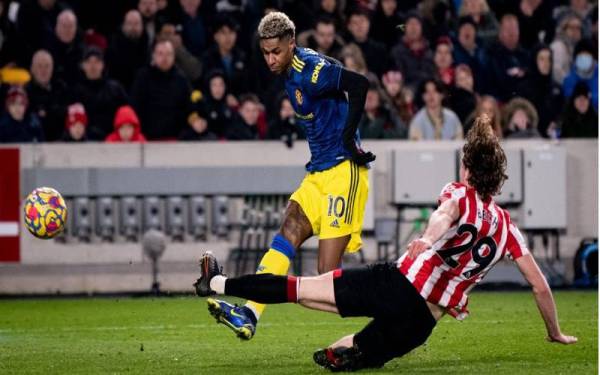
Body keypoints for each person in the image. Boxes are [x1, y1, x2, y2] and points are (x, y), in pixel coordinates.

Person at [195, 114, 578, 371]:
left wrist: (426, 242)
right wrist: (554, 332)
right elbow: (539, 284)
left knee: (300, 289)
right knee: (352, 350)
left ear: (467, 168)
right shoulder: (508, 229)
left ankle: (216, 283)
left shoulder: (460, 194)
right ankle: (349, 352)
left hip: (397, 285)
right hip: (423, 323)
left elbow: (441, 218)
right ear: (499, 179)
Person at [206, 11, 374, 341]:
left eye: (276, 52)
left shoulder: (311, 69)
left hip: (343, 172)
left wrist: (348, 138)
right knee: (289, 229)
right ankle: (251, 312)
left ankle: (390, 304)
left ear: (292, 44)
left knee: (327, 277)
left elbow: (359, 84)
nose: (270, 59)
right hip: (318, 174)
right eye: (266, 52)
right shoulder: (288, 73)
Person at [130, 40, 192, 140]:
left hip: (175, 140)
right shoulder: (142, 77)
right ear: (153, 56)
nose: (165, 58)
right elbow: (135, 107)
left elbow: (189, 108)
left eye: (168, 54)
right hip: (147, 139)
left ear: (174, 56)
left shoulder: (181, 79)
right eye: (160, 54)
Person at [71, 47, 129, 140]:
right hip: (84, 142)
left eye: (97, 62)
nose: (93, 66)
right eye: (89, 62)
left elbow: (126, 116)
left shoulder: (115, 89)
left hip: (113, 141)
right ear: (83, 65)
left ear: (102, 65)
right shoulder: (75, 92)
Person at [25, 49, 69, 142]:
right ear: (32, 69)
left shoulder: (62, 88)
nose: (43, 70)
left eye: (47, 66)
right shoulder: (25, 92)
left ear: (52, 68)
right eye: (39, 66)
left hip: (59, 143)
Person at [105, 9, 150, 91]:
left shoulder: (148, 46)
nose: (133, 27)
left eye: (136, 23)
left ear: (142, 26)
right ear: (123, 26)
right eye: (129, 23)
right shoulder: (113, 47)